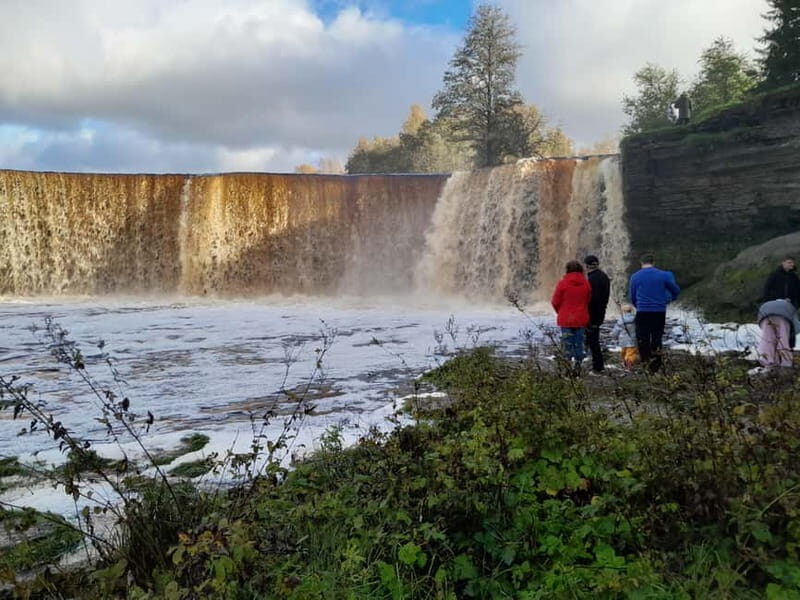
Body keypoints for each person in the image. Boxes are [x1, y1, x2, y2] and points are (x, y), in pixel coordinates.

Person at [629, 253, 681, 373]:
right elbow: (676, 290)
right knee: (657, 338)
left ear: (641, 263)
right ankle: (655, 366)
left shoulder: (635, 276)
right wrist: (669, 299)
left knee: (642, 339)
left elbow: (633, 296)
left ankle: (645, 363)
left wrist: (638, 306)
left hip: (643, 311)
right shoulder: (663, 275)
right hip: (659, 311)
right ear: (653, 262)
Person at [551, 260, 592, 374]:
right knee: (579, 342)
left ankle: (567, 366)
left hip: (566, 317)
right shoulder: (586, 283)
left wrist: (560, 311)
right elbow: (588, 300)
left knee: (567, 343)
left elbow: (555, 301)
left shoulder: (563, 283)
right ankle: (578, 364)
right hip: (581, 317)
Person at [584, 255, 610, 373]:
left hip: (591, 313)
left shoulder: (591, 279)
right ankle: (596, 363)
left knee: (592, 340)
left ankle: (597, 365)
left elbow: (592, 299)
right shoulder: (604, 276)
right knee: (593, 339)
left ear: (586, 266)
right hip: (600, 312)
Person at [757, 299, 800, 369]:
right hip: (783, 318)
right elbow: (795, 326)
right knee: (783, 340)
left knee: (767, 340)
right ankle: (786, 363)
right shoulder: (789, 306)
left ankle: (767, 361)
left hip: (765, 317)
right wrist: (791, 344)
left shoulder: (768, 304)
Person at [612, 303, 639, 370]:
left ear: (623, 311)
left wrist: (614, 336)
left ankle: (625, 364)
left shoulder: (621, 320)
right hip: (633, 340)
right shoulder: (635, 319)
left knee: (623, 353)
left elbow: (616, 330)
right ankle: (629, 365)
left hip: (623, 341)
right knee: (631, 354)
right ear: (631, 310)